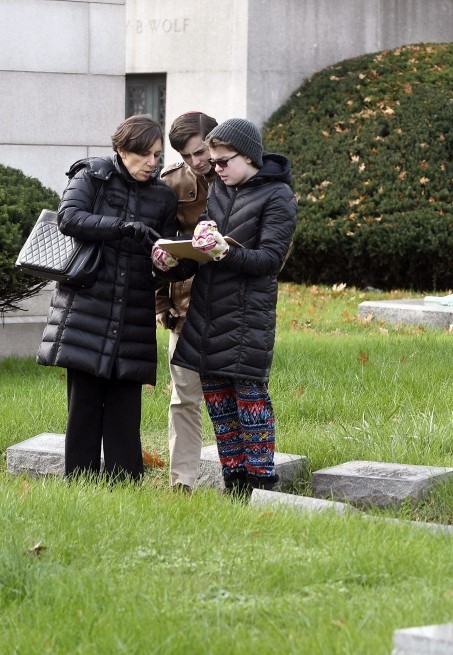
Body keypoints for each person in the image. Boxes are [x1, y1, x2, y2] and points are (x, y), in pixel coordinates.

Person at [153, 118, 296, 498]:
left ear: (247, 156)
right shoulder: (218, 190)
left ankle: (262, 487)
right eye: (213, 162)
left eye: (222, 161)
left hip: (248, 315)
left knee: (251, 404)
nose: (214, 168)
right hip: (207, 312)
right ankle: (234, 488)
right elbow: (202, 257)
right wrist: (171, 262)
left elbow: (270, 260)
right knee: (219, 405)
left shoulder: (278, 195)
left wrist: (225, 252)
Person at [37, 115, 180, 481]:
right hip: (87, 305)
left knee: (125, 409)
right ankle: (80, 483)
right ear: (121, 149)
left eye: (157, 155)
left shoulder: (163, 196)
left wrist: (170, 263)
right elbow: (69, 218)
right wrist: (122, 228)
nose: (152, 162)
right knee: (83, 405)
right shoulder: (92, 175)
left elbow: (165, 253)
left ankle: (126, 484)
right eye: (145, 154)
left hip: (133, 309)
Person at [156, 111, 219, 493]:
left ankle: (243, 476)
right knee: (184, 397)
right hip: (185, 305)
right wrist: (161, 305)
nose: (196, 162)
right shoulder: (171, 183)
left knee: (236, 396)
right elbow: (156, 248)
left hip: (231, 302)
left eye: (200, 151)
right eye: (186, 156)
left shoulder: (242, 175)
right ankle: (182, 482)